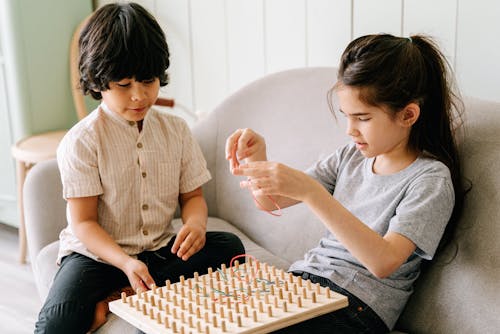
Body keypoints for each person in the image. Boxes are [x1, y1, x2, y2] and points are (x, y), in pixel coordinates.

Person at [225, 34, 465, 333]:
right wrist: (256, 160)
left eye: (362, 118)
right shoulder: (350, 157)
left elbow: (384, 262)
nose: (350, 130)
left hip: (357, 307)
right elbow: (272, 202)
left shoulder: (430, 179)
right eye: (347, 117)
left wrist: (313, 194)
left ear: (408, 114)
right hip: (302, 282)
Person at [34, 3, 244, 333]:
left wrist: (196, 223)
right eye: (124, 84)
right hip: (97, 257)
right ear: (98, 81)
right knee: (55, 324)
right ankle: (124, 290)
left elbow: (193, 196)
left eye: (148, 81)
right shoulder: (82, 141)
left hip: (159, 252)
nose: (139, 96)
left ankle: (124, 294)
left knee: (230, 248)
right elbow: (84, 223)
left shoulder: (176, 131)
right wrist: (124, 262)